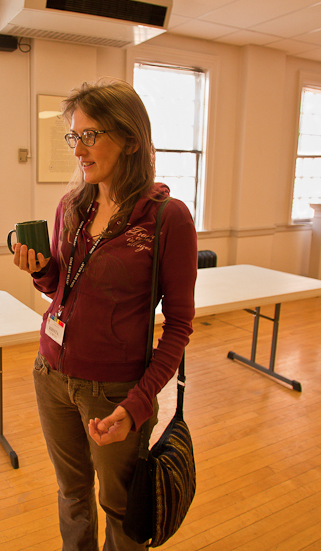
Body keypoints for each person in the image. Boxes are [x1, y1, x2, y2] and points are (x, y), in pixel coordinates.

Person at [12, 79, 198, 550]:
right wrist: (40, 271)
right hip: (50, 374)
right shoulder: (72, 206)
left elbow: (177, 326)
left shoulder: (166, 218)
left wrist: (136, 407)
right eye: (74, 136)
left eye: (90, 135)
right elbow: (61, 288)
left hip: (113, 391)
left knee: (119, 508)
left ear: (131, 138)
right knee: (71, 494)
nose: (79, 149)